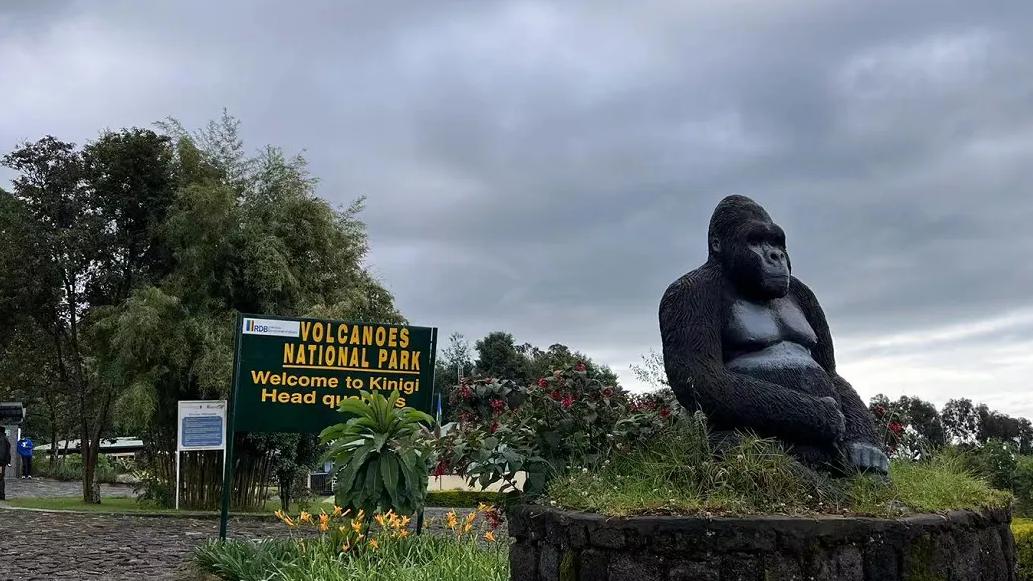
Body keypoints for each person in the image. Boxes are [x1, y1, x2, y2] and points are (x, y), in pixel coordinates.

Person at [0, 427, 10, 500]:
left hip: (0, 462)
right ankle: (1, 495)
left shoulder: (2, 439)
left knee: (0, 478)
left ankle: (1, 495)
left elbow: (2, 451)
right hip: (2, 462)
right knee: (1, 478)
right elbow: (7, 452)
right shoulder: (5, 439)